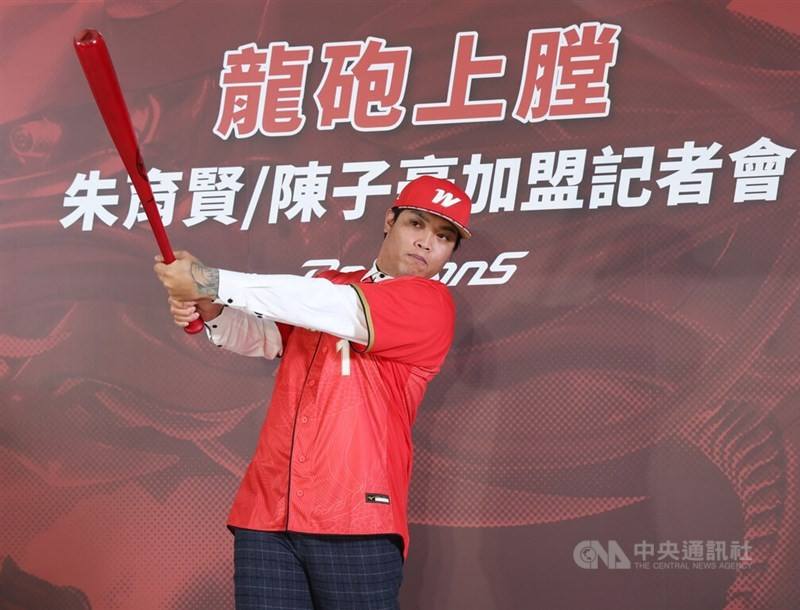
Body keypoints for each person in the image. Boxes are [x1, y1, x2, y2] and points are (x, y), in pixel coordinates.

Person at [153, 175, 472, 610]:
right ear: (389, 221)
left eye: (443, 236)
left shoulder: (429, 303)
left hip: (356, 517)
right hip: (268, 512)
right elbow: (264, 338)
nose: (425, 243)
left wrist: (211, 281)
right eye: (416, 224)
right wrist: (210, 309)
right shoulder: (330, 282)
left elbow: (334, 307)